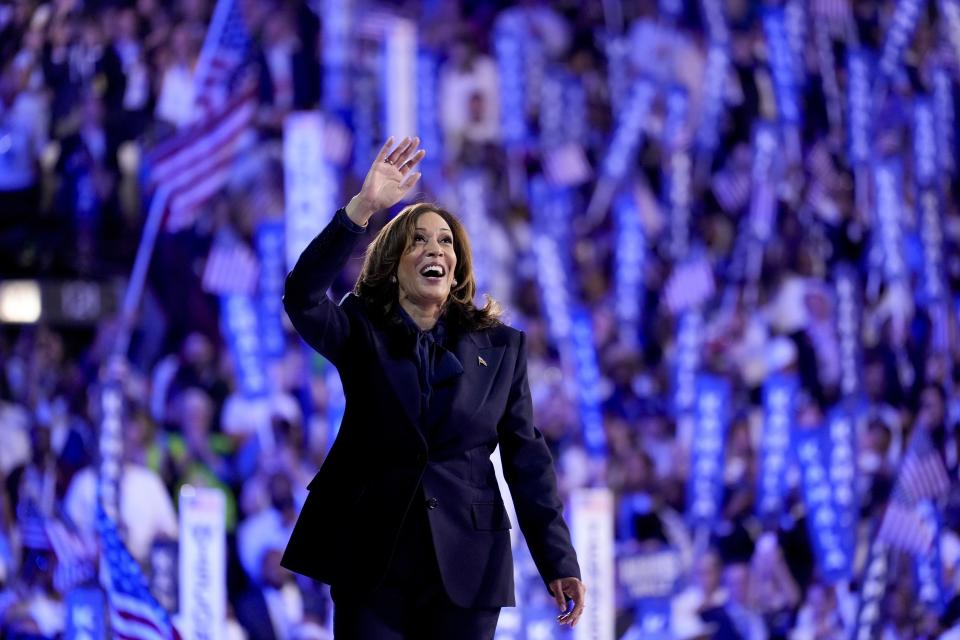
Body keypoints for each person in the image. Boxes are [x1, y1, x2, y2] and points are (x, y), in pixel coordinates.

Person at [280, 136, 585, 638]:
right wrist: (361, 210)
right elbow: (302, 297)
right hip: (370, 561)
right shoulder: (361, 330)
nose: (434, 248)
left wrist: (558, 559)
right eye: (418, 240)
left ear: (458, 265)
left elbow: (527, 461)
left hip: (466, 567)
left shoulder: (502, 349)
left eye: (445, 241)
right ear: (394, 265)